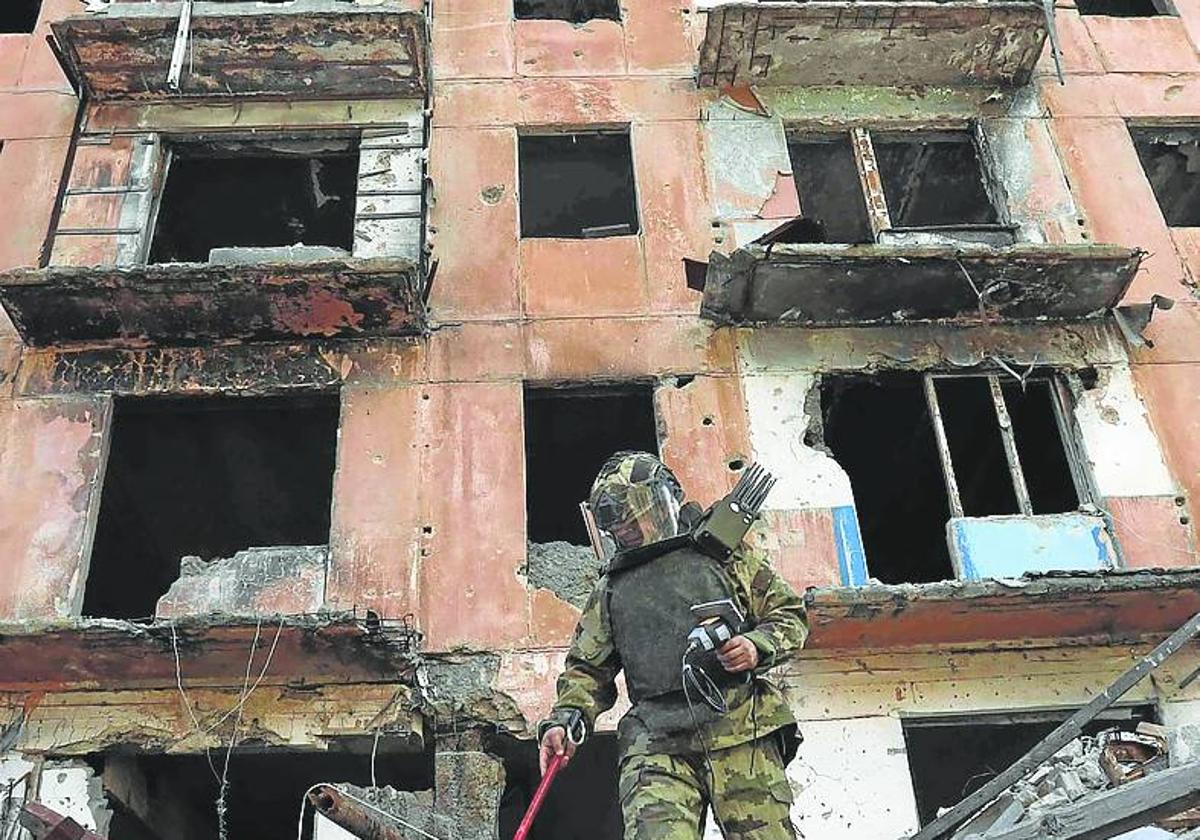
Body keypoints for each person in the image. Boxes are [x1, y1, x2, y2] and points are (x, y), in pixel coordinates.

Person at [537, 451, 809, 840]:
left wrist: (755, 645)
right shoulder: (613, 588)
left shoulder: (724, 554)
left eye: (630, 519)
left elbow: (789, 615)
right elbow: (587, 669)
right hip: (655, 742)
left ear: (657, 503)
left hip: (739, 728)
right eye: (616, 526)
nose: (624, 531)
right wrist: (566, 719)